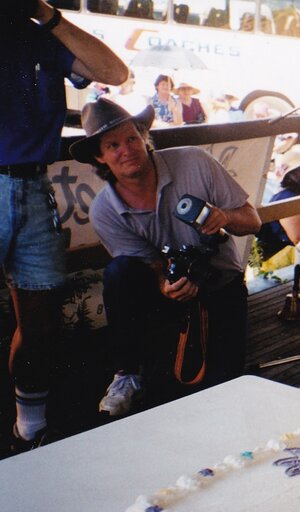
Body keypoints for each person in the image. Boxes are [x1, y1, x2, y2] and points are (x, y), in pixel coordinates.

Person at [69, 98, 261, 417]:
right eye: (113, 145)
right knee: (120, 272)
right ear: (99, 156)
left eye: (132, 138)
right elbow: (144, 264)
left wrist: (223, 217)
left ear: (145, 138)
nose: (126, 149)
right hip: (163, 299)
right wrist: (165, 283)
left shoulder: (195, 161)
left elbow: (252, 220)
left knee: (224, 389)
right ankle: (127, 373)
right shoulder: (103, 210)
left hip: (221, 286)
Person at [1, 0, 128, 453]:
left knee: (39, 324)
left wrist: (45, 14)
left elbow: (114, 72)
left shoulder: (42, 38)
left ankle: (28, 431)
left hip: (33, 186)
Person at [257, 144, 300, 262]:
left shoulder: (296, 195)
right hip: (285, 261)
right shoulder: (289, 199)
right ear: (297, 174)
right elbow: (299, 240)